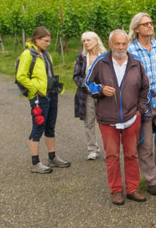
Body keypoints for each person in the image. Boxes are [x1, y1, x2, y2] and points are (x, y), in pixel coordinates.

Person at [85, 30, 149, 205]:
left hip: (131, 118)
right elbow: (88, 84)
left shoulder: (136, 62)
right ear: (110, 43)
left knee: (131, 155)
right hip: (108, 119)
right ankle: (116, 190)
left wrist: (140, 110)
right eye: (117, 44)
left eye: (124, 44)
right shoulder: (101, 61)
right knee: (112, 156)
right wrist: (100, 90)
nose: (121, 47)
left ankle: (133, 189)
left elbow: (145, 89)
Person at [127, 12, 156, 195]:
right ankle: (152, 181)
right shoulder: (131, 50)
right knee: (145, 145)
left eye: (151, 23)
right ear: (136, 28)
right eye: (145, 24)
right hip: (143, 103)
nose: (150, 26)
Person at [16, 26, 70, 173]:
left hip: (51, 94)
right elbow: (20, 76)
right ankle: (35, 163)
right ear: (37, 39)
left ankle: (52, 158)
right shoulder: (28, 54)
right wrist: (34, 89)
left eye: (49, 41)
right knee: (38, 127)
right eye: (45, 41)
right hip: (39, 97)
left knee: (50, 126)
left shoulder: (45, 54)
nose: (48, 44)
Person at [73, 31, 106, 161]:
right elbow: (76, 76)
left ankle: (109, 148)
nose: (86, 43)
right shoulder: (81, 57)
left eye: (88, 40)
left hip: (102, 95)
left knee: (105, 122)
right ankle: (92, 149)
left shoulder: (104, 56)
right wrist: (86, 85)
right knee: (89, 122)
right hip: (86, 94)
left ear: (96, 40)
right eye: (84, 41)